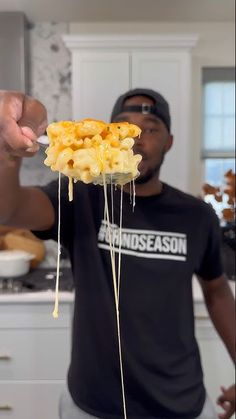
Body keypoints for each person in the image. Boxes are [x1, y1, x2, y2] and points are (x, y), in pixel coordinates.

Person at [0, 88, 235, 419]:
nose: (136, 138)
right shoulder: (80, 198)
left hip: (180, 401)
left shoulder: (197, 216)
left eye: (151, 128)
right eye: (123, 127)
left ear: (168, 142)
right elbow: (7, 209)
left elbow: (217, 291)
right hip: (93, 402)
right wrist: (6, 148)